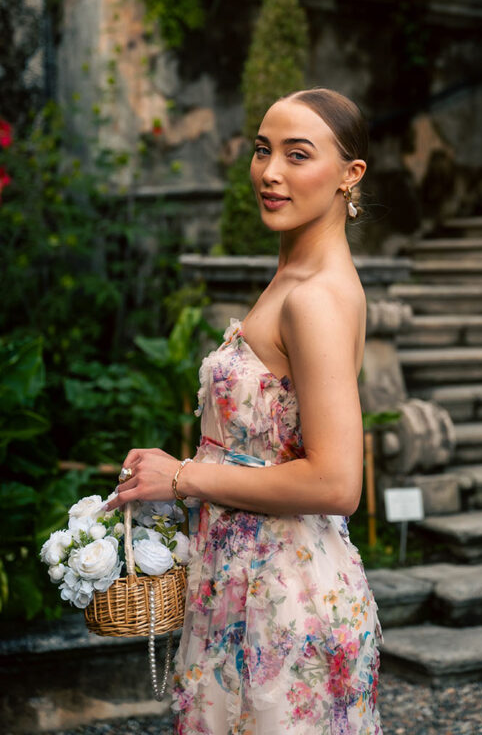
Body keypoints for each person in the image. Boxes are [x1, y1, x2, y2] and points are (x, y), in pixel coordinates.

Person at [107, 88, 383, 735]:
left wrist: (182, 477)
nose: (271, 172)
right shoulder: (293, 276)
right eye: (262, 151)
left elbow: (337, 483)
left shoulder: (315, 298)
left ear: (351, 174)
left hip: (284, 603)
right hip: (243, 581)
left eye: (297, 154)